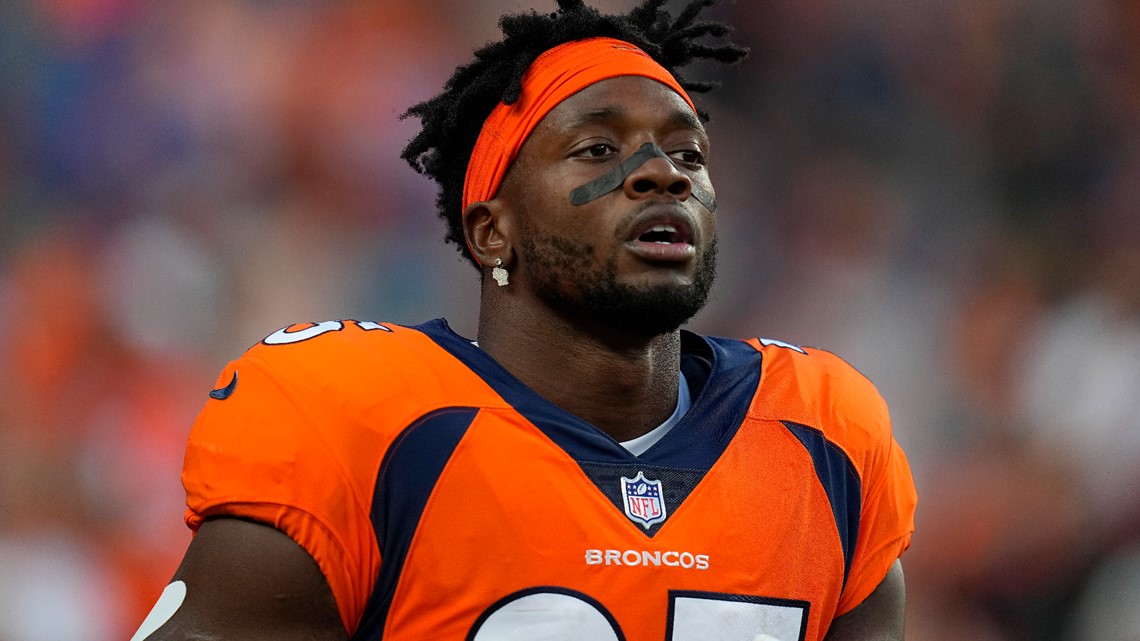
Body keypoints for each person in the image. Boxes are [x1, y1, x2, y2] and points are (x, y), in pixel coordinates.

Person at [132, 1, 917, 639]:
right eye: (598, 148)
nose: (661, 174)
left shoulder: (824, 441)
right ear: (491, 230)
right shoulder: (365, 430)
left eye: (690, 154)